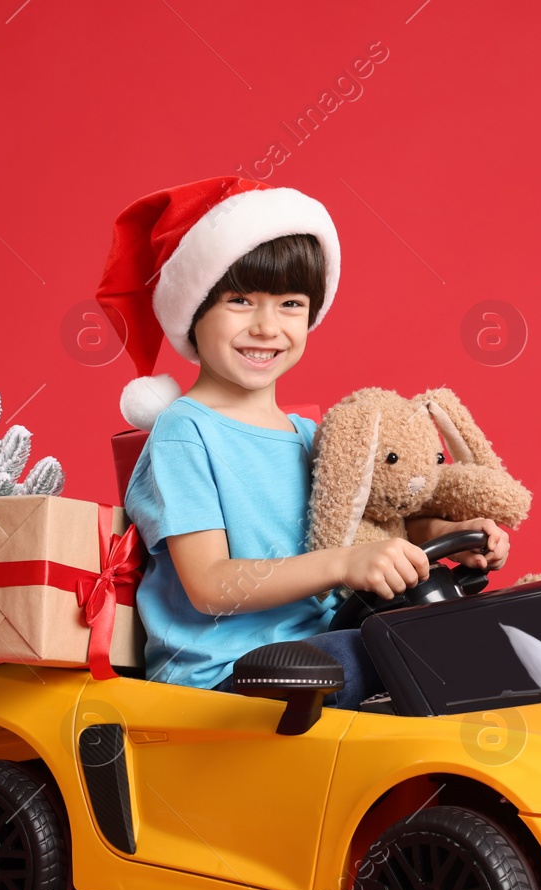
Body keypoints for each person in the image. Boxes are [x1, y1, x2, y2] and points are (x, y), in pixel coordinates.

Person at [95, 177, 509, 709]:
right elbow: (209, 583)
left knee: (460, 632)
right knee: (399, 653)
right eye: (240, 301)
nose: (267, 327)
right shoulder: (186, 432)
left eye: (290, 304)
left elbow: (381, 525)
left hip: (323, 644)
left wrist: (454, 533)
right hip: (227, 675)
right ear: (194, 313)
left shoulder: (310, 436)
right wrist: (342, 564)